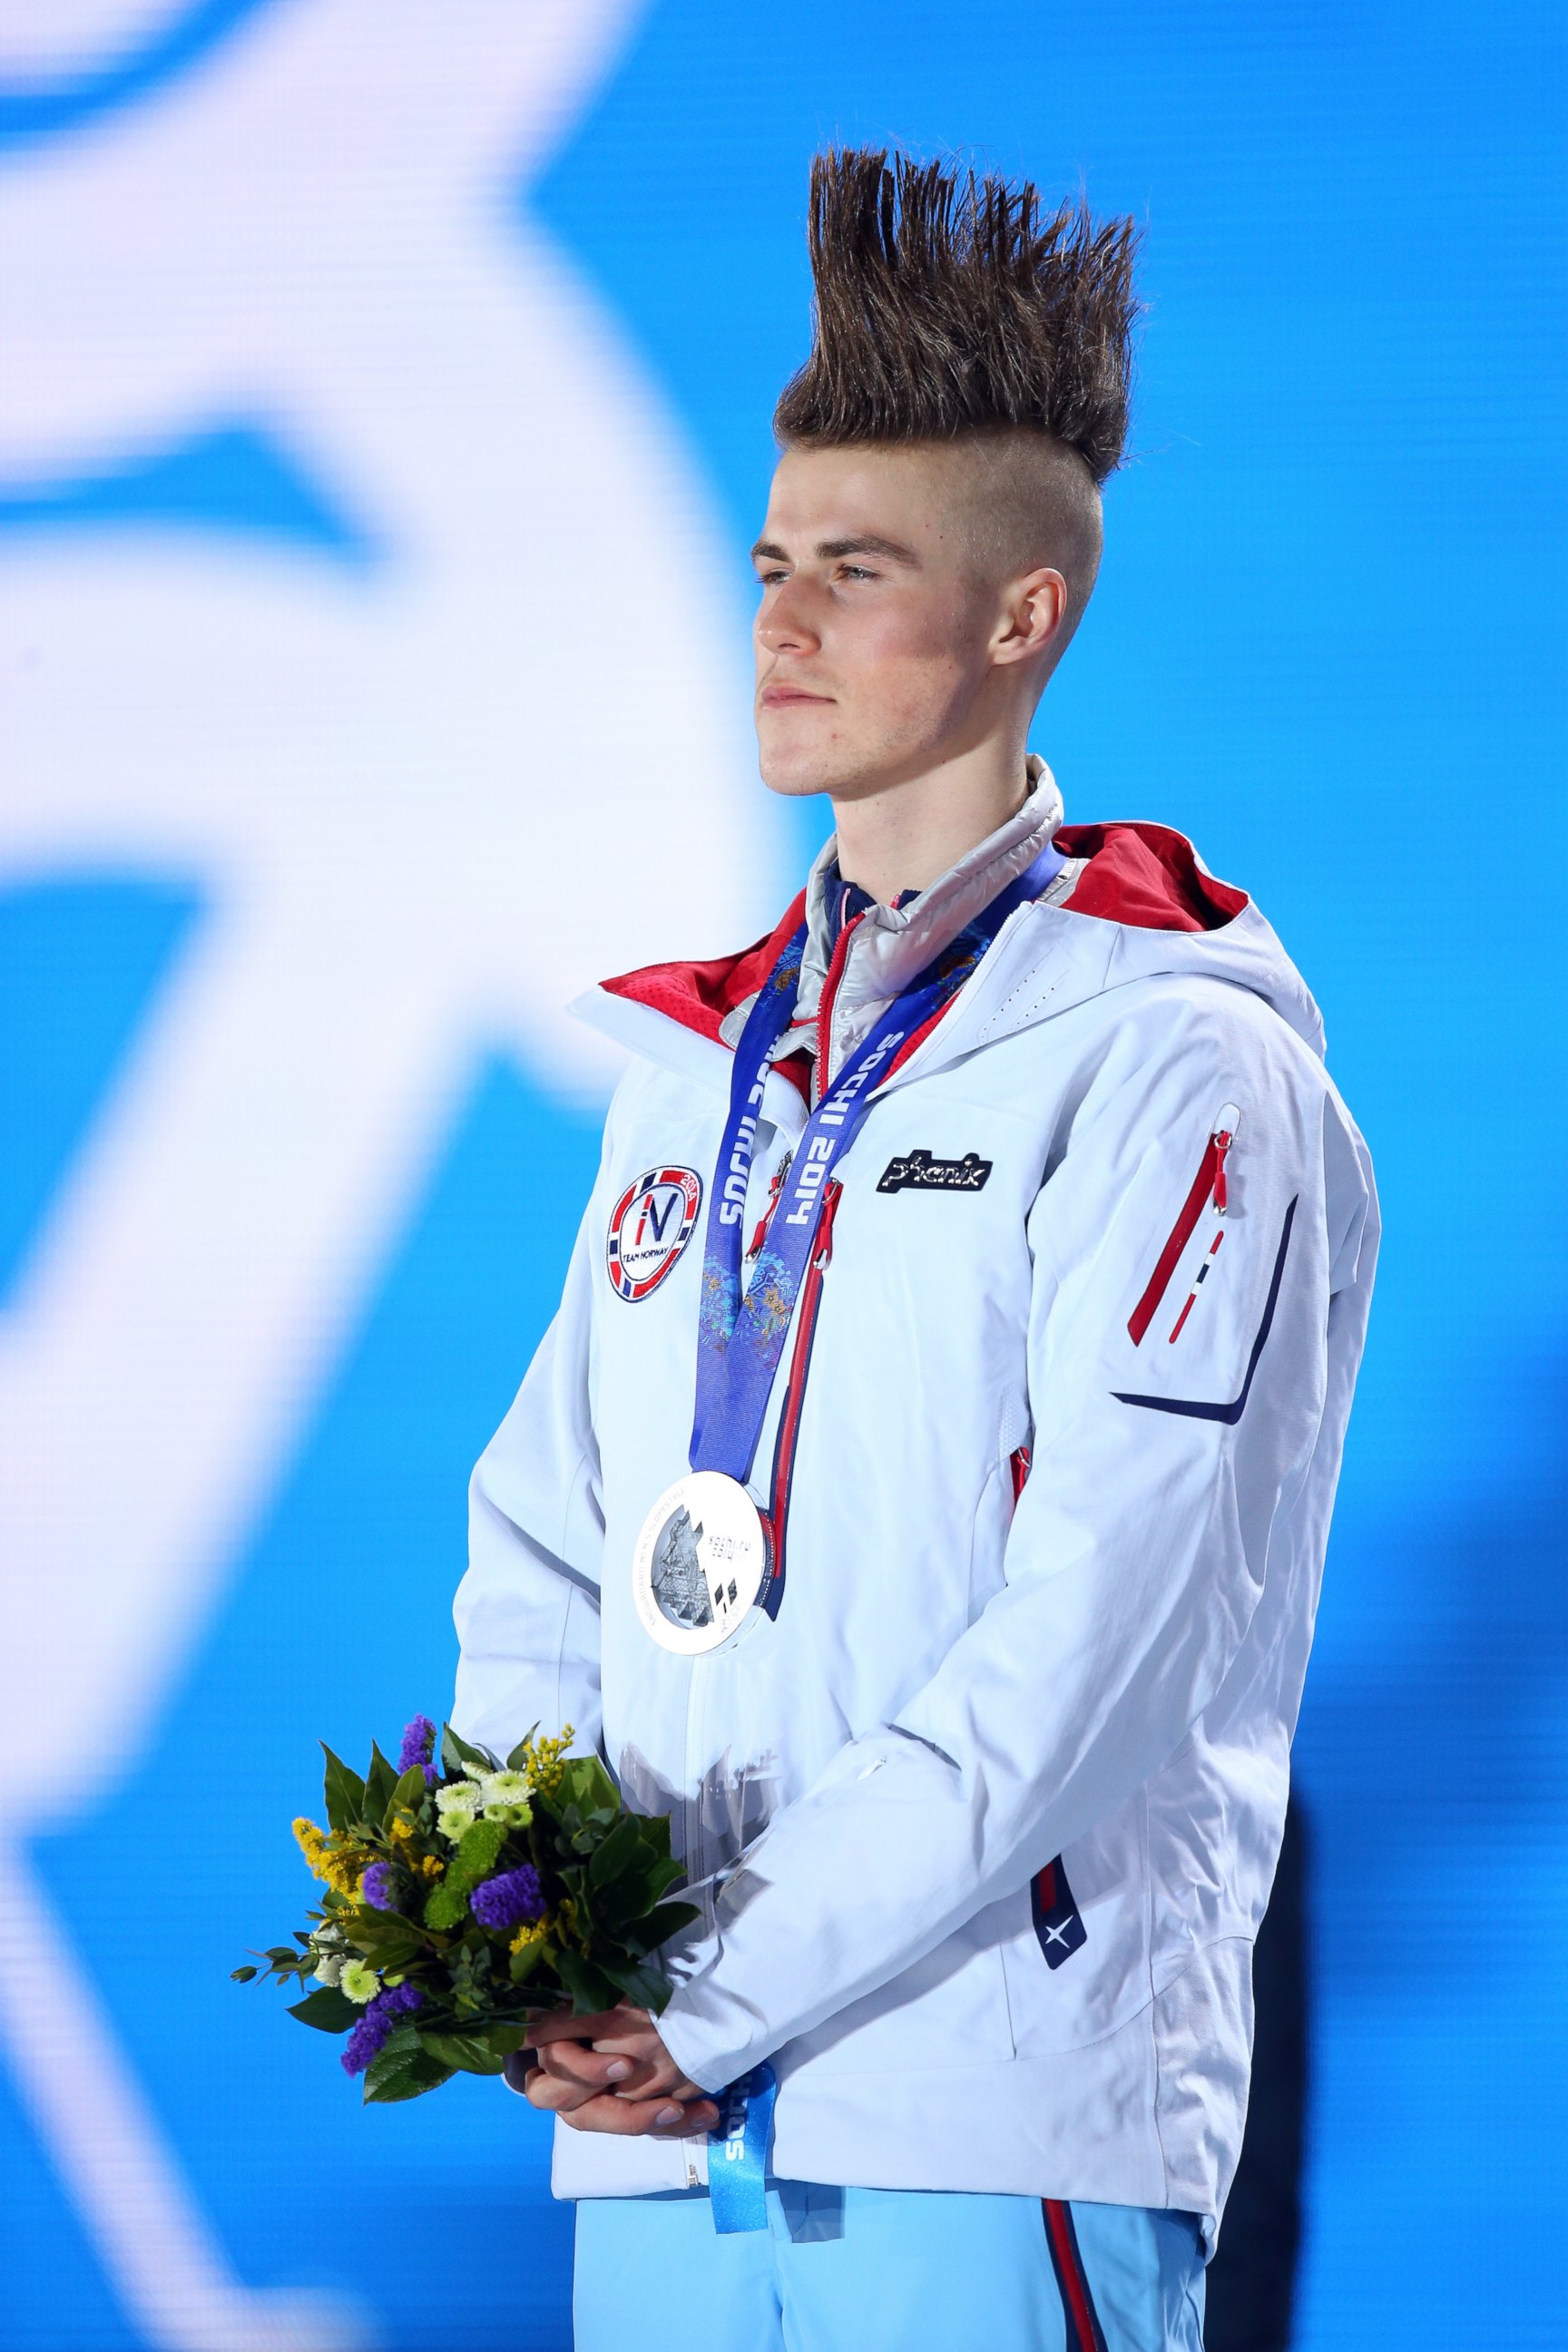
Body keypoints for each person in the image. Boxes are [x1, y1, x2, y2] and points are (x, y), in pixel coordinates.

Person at [452, 147, 1377, 2352]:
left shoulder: (1172, 1067)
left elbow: (1096, 1644)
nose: (774, 623)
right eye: (769, 562)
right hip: (666, 2131)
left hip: (989, 2107)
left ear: (1019, 618)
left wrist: (723, 1984)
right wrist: (540, 1952)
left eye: (852, 572)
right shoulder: (694, 1071)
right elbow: (544, 1546)